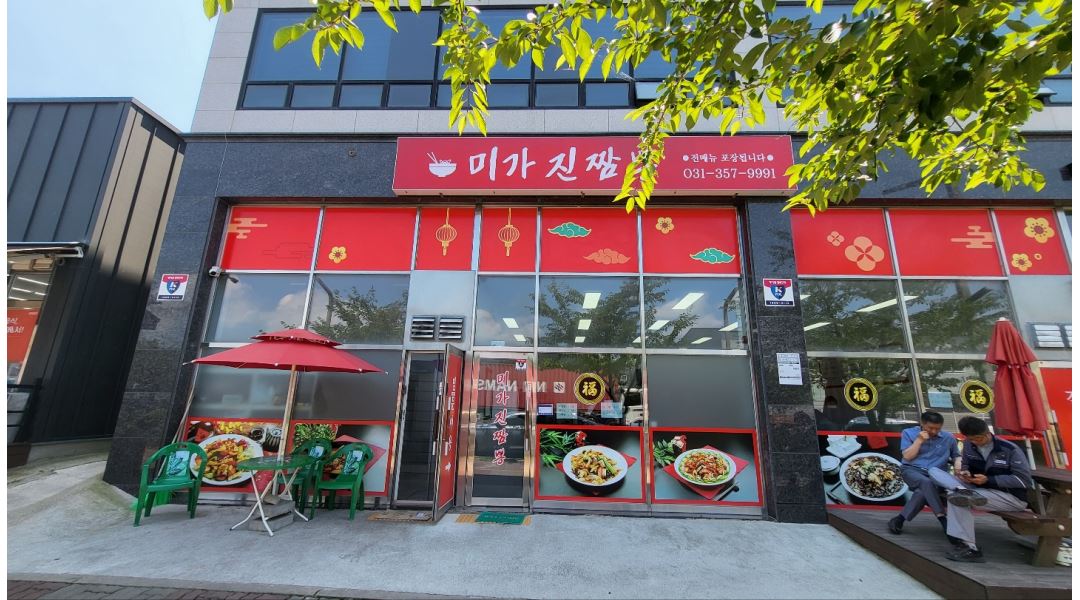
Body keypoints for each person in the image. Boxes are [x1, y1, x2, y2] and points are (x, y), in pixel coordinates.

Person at [928, 416, 1032, 563]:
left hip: (1009, 497)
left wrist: (989, 480)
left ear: (987, 433)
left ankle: (969, 547)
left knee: (957, 498)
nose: (975, 442)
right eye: (971, 439)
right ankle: (960, 489)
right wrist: (965, 473)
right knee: (933, 471)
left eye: (978, 439)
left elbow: (1024, 480)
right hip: (977, 489)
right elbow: (965, 464)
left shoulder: (1010, 449)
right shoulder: (968, 444)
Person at [888, 411, 961, 536]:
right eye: (930, 428)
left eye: (937, 429)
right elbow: (907, 456)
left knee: (922, 492)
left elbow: (956, 455)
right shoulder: (909, 433)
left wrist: (958, 463)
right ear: (922, 423)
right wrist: (919, 440)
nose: (934, 431)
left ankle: (899, 519)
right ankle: (943, 519)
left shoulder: (948, 437)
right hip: (912, 470)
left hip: (937, 475)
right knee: (926, 482)